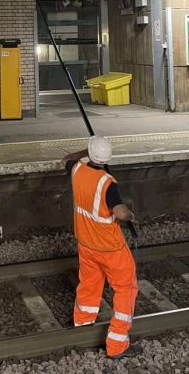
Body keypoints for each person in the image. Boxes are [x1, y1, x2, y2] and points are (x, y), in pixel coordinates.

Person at [64, 135, 141, 360]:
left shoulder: (76, 170)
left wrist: (84, 152)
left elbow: (68, 158)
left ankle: (82, 324)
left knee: (89, 283)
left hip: (86, 244)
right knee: (125, 289)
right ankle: (117, 345)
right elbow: (119, 212)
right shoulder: (107, 184)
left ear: (89, 154)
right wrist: (131, 215)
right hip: (110, 248)